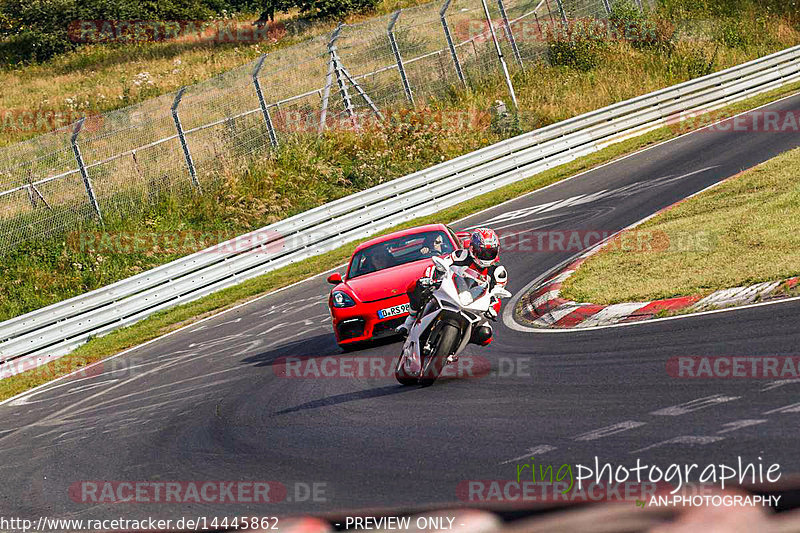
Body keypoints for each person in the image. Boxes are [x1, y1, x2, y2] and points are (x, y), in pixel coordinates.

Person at [397, 228, 508, 346]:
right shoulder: (460, 255)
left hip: (475, 307)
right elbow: (440, 266)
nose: (486, 256)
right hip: (451, 293)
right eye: (483, 252)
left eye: (490, 252)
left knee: (485, 335)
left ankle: (453, 347)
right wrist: (430, 279)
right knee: (417, 286)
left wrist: (492, 309)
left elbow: (497, 295)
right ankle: (409, 322)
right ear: (472, 248)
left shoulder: (499, 272)